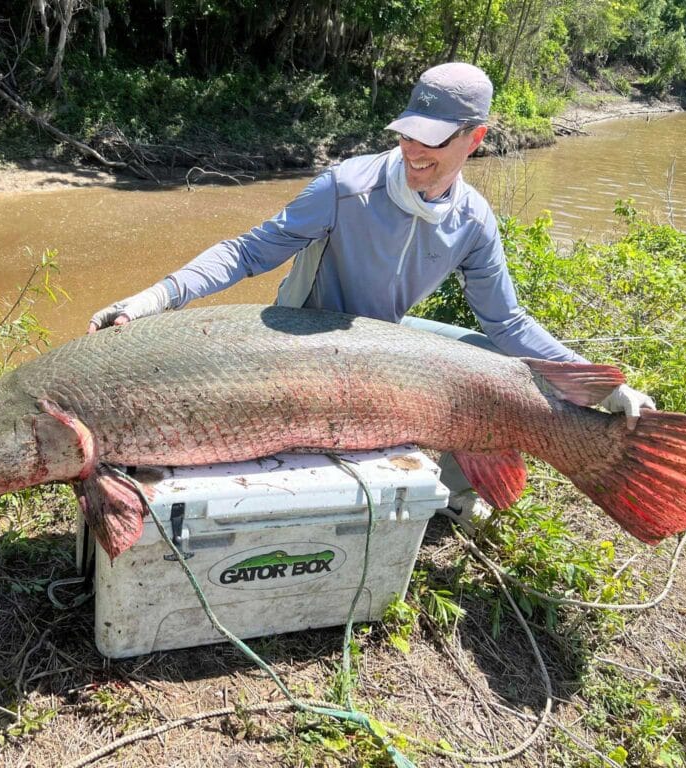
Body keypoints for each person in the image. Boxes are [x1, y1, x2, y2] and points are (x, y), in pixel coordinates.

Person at [87, 62, 655, 525]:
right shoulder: (343, 187)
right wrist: (153, 299)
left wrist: (603, 385)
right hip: (296, 340)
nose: (414, 150)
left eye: (432, 140)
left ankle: (457, 496)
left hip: (383, 346)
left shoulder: (475, 222)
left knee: (491, 361)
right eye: (408, 133)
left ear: (475, 139)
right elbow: (247, 252)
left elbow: (508, 322)